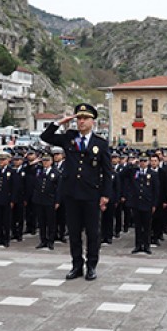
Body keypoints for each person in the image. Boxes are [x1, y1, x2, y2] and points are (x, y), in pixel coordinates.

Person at [40, 103, 113, 281]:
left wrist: (105, 195)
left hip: (91, 194)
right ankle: (77, 265)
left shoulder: (100, 143)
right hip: (71, 193)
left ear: (92, 121)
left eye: (85, 118)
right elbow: (45, 137)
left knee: (92, 233)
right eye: (79, 118)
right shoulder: (69, 137)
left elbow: (107, 171)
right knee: (74, 233)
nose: (81, 121)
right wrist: (60, 122)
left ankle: (91, 266)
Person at [125, 155, 159, 254]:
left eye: (145, 161)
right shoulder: (134, 171)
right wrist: (130, 164)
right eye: (141, 161)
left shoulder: (152, 173)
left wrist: (154, 204)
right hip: (136, 203)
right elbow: (122, 174)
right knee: (138, 226)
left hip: (147, 203)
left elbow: (156, 190)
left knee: (147, 226)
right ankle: (138, 245)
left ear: (148, 162)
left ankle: (146, 245)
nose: (143, 163)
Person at [32, 154, 60, 250]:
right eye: (44, 161)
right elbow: (29, 170)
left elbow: (58, 189)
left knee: (51, 222)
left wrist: (57, 201)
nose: (45, 162)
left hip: (50, 200)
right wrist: (34, 162)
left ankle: (51, 241)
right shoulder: (38, 171)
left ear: (51, 161)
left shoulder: (55, 172)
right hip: (39, 199)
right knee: (41, 222)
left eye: (47, 160)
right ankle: (43, 240)